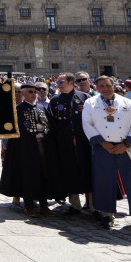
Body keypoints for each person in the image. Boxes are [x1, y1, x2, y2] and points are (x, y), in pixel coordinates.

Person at [82, 75, 131, 232]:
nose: (105, 88)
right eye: (101, 86)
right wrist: (103, 143)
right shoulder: (90, 103)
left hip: (126, 146)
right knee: (104, 181)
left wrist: (126, 144)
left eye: (107, 85)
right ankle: (107, 215)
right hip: (103, 147)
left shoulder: (128, 103)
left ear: (113, 85)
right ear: (97, 88)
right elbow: (87, 124)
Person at [0, 83, 58, 217]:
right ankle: (29, 205)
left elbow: (48, 125)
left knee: (43, 174)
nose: (34, 94)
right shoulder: (18, 109)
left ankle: (43, 205)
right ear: (23, 94)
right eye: (31, 92)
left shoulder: (41, 108)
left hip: (42, 145)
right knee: (28, 176)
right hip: (25, 148)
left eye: (35, 92)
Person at [47, 72, 91, 214]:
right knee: (69, 171)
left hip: (84, 143)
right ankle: (75, 205)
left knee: (88, 171)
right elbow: (52, 123)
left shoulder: (85, 98)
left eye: (60, 82)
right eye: (57, 82)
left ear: (71, 83)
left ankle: (92, 205)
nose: (57, 84)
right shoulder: (55, 100)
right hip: (65, 143)